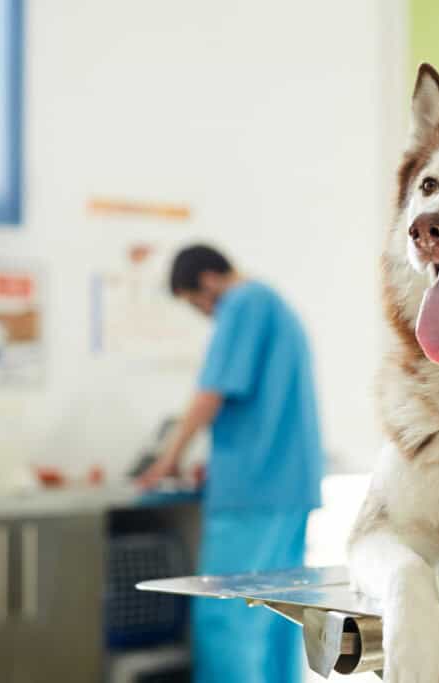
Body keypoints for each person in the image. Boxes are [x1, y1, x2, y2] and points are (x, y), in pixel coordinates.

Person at [137, 244, 324, 683]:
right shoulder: (275, 306)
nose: (203, 313)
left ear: (207, 282)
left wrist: (168, 458)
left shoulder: (241, 303)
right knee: (279, 613)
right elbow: (260, 409)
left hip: (252, 492)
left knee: (227, 616)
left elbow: (211, 393)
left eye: (194, 303)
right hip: (288, 487)